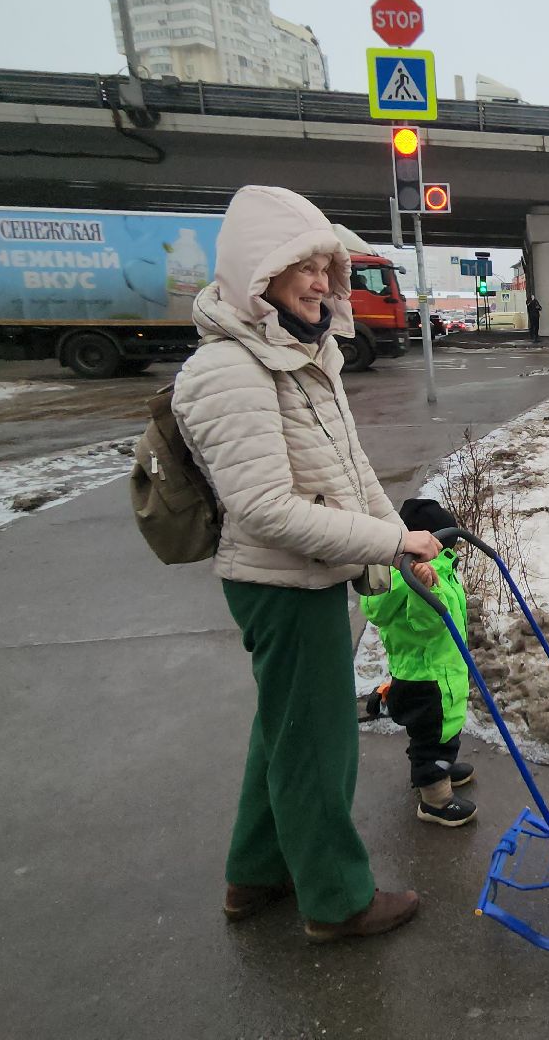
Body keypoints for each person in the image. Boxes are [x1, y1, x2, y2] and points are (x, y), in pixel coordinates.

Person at [171, 185, 443, 944]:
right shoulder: (230, 369)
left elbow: (350, 472)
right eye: (306, 267)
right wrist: (391, 543)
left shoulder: (298, 356)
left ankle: (254, 875)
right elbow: (262, 507)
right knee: (318, 744)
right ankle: (335, 899)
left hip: (308, 575)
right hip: (280, 582)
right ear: (260, 273)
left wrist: (401, 543)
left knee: (285, 732)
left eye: (329, 267)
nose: (323, 282)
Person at [360, 498, 477, 828]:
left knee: (443, 730)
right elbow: (427, 624)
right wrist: (423, 589)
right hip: (427, 678)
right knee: (432, 737)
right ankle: (435, 800)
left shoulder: (432, 567)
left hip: (438, 669)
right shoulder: (411, 579)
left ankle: (443, 766)